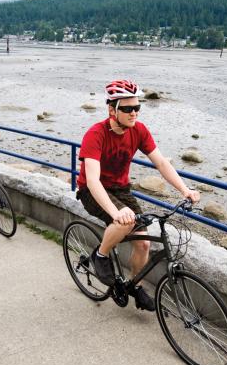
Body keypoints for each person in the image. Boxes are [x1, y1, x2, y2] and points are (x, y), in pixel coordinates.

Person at [76, 79, 200, 311]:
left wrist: (185, 190)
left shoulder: (139, 131)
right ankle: (101, 255)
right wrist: (116, 213)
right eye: (127, 109)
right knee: (124, 220)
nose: (134, 113)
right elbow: (92, 180)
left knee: (143, 243)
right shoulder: (96, 134)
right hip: (92, 191)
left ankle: (135, 286)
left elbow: (161, 163)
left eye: (137, 108)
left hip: (121, 189)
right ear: (112, 110)